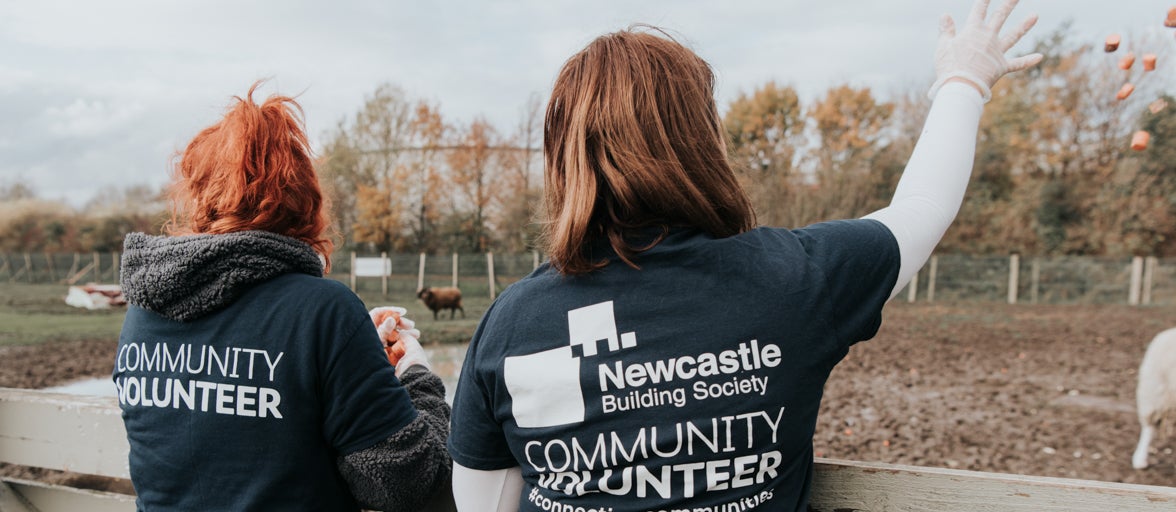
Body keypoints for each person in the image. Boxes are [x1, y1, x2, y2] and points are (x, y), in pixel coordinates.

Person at [446, 1, 1042, 510]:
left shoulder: (513, 322)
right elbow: (923, 207)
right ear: (702, 139)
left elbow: (482, 504)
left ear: (565, 155)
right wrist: (965, 79)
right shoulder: (795, 279)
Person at [113, 82, 451, 511]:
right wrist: (416, 374)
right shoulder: (325, 312)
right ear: (303, 197)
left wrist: (353, 351)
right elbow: (403, 483)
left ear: (199, 194)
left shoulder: (144, 311)